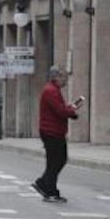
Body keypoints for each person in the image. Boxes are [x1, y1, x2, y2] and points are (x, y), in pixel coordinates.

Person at [32, 66, 83, 203]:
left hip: (54, 131)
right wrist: (71, 112)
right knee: (57, 161)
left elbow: (59, 109)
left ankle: (48, 188)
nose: (65, 80)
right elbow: (60, 111)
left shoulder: (53, 90)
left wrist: (70, 109)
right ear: (56, 77)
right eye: (63, 77)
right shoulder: (51, 91)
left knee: (56, 161)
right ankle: (46, 187)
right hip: (52, 131)